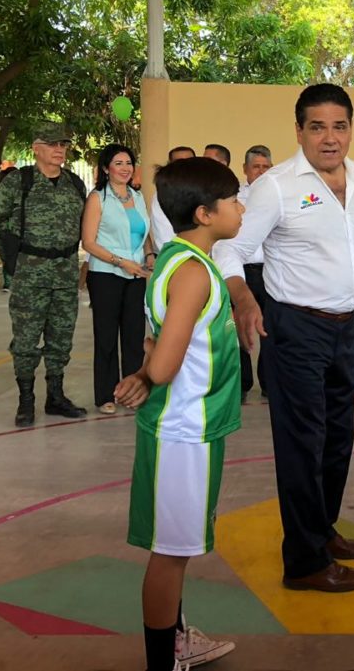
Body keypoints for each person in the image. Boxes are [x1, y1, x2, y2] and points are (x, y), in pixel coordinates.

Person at [214, 83, 354, 593]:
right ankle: (304, 563)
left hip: (347, 327)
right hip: (296, 329)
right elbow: (229, 249)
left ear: (351, 128)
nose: (331, 138)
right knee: (302, 444)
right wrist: (243, 298)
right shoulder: (277, 186)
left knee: (337, 440)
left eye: (340, 126)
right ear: (300, 130)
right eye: (318, 127)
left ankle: (321, 531)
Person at [114, 157, 242, 671]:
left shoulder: (175, 257)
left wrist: (147, 366)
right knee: (170, 553)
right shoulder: (193, 273)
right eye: (233, 200)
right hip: (184, 429)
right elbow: (165, 363)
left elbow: (156, 343)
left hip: (192, 425)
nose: (241, 208)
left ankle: (177, 641)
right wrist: (148, 373)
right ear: (206, 213)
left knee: (178, 545)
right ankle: (162, 660)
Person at [0, 123, 88, 427]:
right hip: (30, 272)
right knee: (26, 339)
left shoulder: (74, 183)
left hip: (66, 271)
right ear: (36, 146)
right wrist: (14, 262)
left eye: (64, 144)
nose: (59, 149)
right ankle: (26, 400)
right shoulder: (20, 181)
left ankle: (55, 397)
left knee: (61, 337)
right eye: (52, 143)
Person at [81, 144, 152, 415]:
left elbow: (144, 234)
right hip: (106, 274)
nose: (125, 168)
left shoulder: (138, 196)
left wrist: (149, 254)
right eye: (118, 163)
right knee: (107, 337)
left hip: (136, 274)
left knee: (134, 336)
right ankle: (106, 394)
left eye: (128, 163)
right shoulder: (98, 198)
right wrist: (122, 262)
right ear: (106, 168)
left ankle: (133, 393)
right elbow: (88, 242)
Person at [238, 144, 274, 399]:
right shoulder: (234, 197)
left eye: (265, 167)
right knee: (241, 328)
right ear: (245, 170)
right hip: (241, 272)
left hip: (271, 272)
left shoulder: (277, 195)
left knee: (270, 330)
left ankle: (269, 383)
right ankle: (241, 384)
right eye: (256, 167)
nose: (261, 172)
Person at [150, 146, 196, 251]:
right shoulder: (161, 195)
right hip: (174, 257)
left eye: (189, 162)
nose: (185, 167)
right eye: (179, 163)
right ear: (170, 165)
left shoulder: (205, 190)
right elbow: (164, 237)